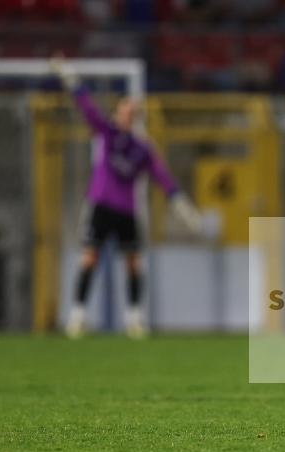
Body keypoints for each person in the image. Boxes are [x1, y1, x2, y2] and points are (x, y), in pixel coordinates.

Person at [50, 56, 203, 339]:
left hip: (126, 211)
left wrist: (181, 205)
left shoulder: (142, 149)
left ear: (136, 117)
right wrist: (72, 80)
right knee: (89, 259)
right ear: (118, 112)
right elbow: (87, 109)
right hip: (100, 206)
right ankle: (78, 316)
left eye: (132, 111)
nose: (127, 115)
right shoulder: (107, 134)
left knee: (133, 263)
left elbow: (162, 177)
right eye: (124, 110)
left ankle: (134, 318)